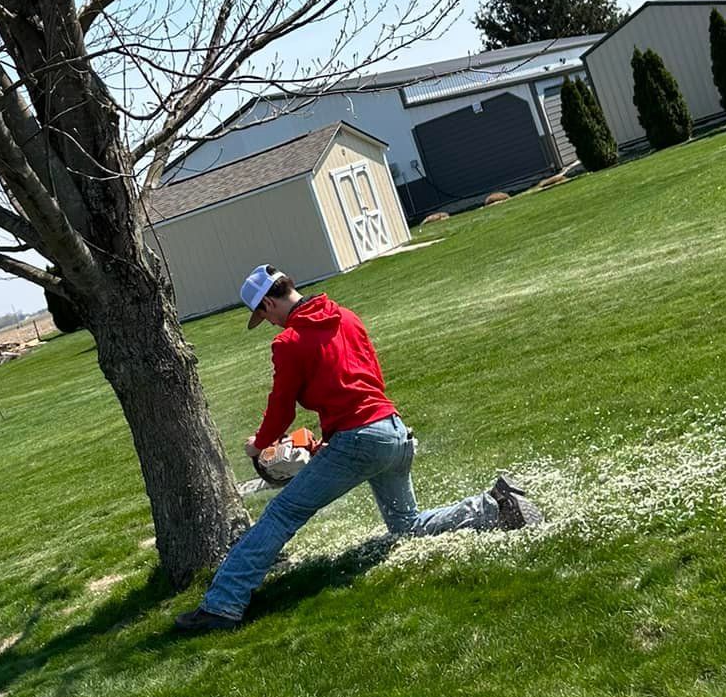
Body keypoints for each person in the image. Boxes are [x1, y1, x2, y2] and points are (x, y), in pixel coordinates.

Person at [174, 264, 542, 633]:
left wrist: (260, 444)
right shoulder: (347, 317)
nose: (269, 324)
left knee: (281, 514)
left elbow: (282, 407)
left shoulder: (288, 342)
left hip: (360, 440)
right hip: (393, 431)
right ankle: (496, 506)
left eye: (263, 315)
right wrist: (333, 441)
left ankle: (222, 606)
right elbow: (366, 383)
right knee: (406, 526)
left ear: (269, 302)